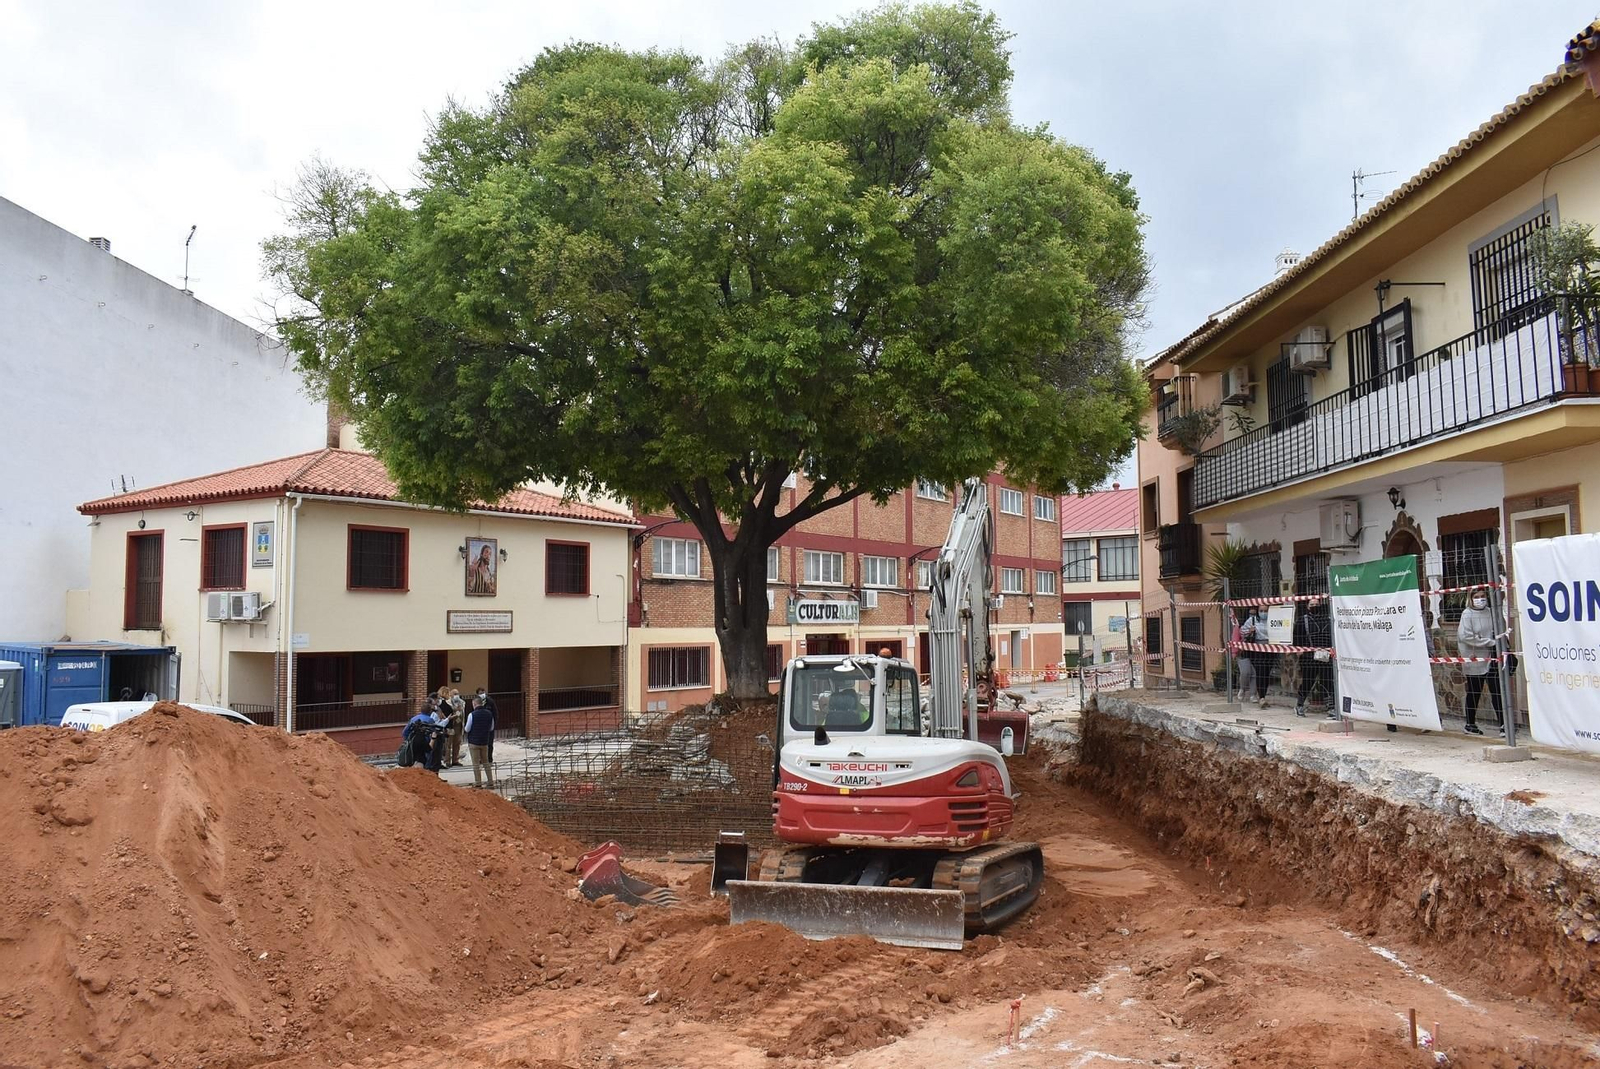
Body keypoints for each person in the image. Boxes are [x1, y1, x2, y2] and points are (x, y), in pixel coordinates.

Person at [1456, 586, 1503, 736]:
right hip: (1474, 658)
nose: (1480, 599)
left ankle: (1503, 724)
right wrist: (1489, 642)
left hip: (1491, 657)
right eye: (1476, 597)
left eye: (1483, 596)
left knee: (1497, 690)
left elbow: (1499, 629)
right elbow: (1465, 636)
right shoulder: (1467, 614)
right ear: (1470, 598)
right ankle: (1470, 724)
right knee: (1474, 691)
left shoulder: (1490, 612)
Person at [1294, 601, 1335, 719]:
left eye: (1316, 604)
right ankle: (1299, 705)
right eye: (1311, 605)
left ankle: (1331, 708)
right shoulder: (1303, 620)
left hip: (1324, 655)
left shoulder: (1327, 619)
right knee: (1308, 681)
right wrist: (1299, 650)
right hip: (1308, 657)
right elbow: (1297, 636)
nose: (1314, 606)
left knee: (1327, 681)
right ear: (1307, 607)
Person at [1239, 609, 1273, 708]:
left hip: (1271, 648)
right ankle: (1261, 696)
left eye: (1265, 610)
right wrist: (1250, 631)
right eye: (1261, 610)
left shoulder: (1273, 619)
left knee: (1266, 673)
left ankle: (1262, 695)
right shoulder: (1252, 620)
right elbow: (1242, 631)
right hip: (1257, 649)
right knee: (1259, 672)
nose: (1263, 613)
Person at [464, 694, 496, 789]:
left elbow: (467, 729)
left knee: (476, 763)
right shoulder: (489, 714)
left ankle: (478, 783)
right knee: (486, 762)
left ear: (474, 704)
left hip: (474, 742)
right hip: (485, 741)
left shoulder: (472, 715)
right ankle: (490, 782)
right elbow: (491, 728)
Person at [443, 689, 466, 767]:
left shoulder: (462, 702)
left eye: (457, 693)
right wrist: (456, 709)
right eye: (455, 694)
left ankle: (455, 760)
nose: (457, 695)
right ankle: (447, 761)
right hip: (451, 725)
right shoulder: (448, 702)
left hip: (459, 725)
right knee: (448, 744)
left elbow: (461, 713)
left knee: (457, 743)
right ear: (451, 694)